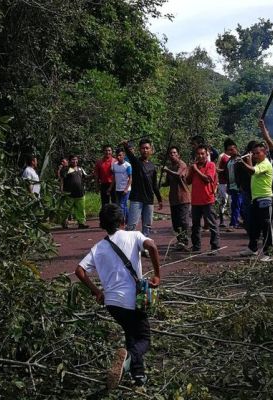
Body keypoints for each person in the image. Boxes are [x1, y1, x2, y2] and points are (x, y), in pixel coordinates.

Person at [75, 204, 161, 389]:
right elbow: (152, 246)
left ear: (102, 225)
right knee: (144, 339)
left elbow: (79, 271)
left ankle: (139, 377)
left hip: (112, 304)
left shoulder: (98, 248)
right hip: (132, 301)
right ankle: (128, 360)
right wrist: (157, 274)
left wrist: (97, 291)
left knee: (131, 334)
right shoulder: (134, 235)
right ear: (123, 221)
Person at [239, 142, 273, 261]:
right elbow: (251, 171)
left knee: (266, 227)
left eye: (257, 153)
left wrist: (244, 161)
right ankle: (252, 248)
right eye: (253, 153)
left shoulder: (265, 164)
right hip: (255, 199)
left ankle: (269, 253)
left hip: (265, 199)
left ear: (264, 153)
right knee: (253, 226)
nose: (254, 155)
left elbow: (252, 171)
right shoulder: (258, 164)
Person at [123, 138, 163, 239]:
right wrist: (125, 145)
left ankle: (144, 247)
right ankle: (127, 247)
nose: (145, 150)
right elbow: (130, 155)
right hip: (137, 199)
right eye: (142, 148)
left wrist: (159, 199)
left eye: (147, 148)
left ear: (151, 150)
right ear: (139, 150)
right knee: (131, 225)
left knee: (147, 226)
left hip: (149, 200)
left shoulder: (152, 166)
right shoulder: (136, 162)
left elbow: (154, 185)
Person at [186, 144, 220, 254]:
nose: (200, 156)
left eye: (202, 154)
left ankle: (215, 247)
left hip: (207, 200)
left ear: (207, 154)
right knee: (195, 225)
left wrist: (196, 169)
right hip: (195, 201)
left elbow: (207, 179)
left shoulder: (211, 165)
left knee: (212, 224)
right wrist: (191, 170)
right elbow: (188, 181)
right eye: (198, 154)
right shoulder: (195, 167)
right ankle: (196, 246)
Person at [162, 146, 191, 250]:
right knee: (175, 222)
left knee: (183, 221)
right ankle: (180, 240)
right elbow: (167, 182)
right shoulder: (171, 166)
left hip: (183, 198)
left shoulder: (182, 164)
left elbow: (178, 175)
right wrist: (159, 184)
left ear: (178, 155)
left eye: (174, 153)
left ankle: (185, 240)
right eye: (171, 153)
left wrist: (167, 170)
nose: (172, 155)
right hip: (173, 199)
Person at [60, 155, 89, 229]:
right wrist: (62, 190)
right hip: (69, 194)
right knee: (66, 209)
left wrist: (94, 174)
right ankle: (64, 222)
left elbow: (86, 177)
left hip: (80, 193)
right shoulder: (66, 169)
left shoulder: (80, 169)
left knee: (81, 209)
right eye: (73, 159)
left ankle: (81, 223)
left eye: (76, 159)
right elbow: (62, 179)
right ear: (69, 161)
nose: (75, 161)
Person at [95, 145, 116, 227]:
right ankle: (104, 222)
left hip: (114, 184)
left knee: (115, 203)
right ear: (103, 151)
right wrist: (96, 186)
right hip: (104, 184)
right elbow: (96, 175)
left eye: (109, 150)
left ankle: (115, 221)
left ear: (111, 151)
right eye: (106, 150)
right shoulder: (99, 162)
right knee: (105, 204)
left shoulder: (115, 161)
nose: (108, 152)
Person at [109, 148, 132, 224]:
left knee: (121, 205)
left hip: (126, 189)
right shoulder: (114, 165)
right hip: (117, 189)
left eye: (120, 155)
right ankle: (129, 220)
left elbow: (130, 179)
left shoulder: (127, 165)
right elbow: (114, 178)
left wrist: (126, 189)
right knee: (123, 205)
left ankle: (122, 222)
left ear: (123, 155)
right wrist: (110, 188)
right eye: (117, 155)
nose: (118, 157)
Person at [224, 140, 243, 230]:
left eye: (232, 149)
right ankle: (238, 222)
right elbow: (227, 174)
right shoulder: (229, 161)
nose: (230, 152)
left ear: (236, 149)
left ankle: (233, 223)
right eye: (229, 150)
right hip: (231, 186)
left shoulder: (240, 160)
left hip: (238, 187)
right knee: (234, 205)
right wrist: (228, 185)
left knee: (236, 205)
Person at [216, 139, 233, 227]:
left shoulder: (233, 156)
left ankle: (232, 222)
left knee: (231, 202)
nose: (231, 150)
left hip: (232, 183)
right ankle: (222, 220)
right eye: (230, 149)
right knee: (224, 201)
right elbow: (217, 168)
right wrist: (225, 171)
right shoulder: (222, 156)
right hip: (223, 183)